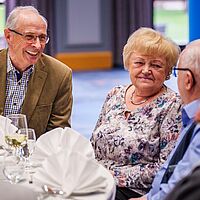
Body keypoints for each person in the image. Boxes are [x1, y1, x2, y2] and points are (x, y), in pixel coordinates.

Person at [90, 27, 182, 200]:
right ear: (128, 64)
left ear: (168, 71)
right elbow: (93, 146)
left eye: (156, 65)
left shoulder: (173, 105)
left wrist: (111, 177)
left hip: (135, 191)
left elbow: (166, 167)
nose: (146, 70)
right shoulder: (115, 94)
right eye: (139, 63)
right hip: (95, 180)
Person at [129, 40, 200, 200]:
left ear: (188, 80)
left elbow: (182, 181)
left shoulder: (185, 113)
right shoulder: (191, 114)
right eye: (139, 62)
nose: (146, 70)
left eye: (177, 71)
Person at [0, 6, 72, 138]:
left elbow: (58, 134)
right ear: (8, 36)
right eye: (29, 37)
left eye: (42, 38)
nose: (38, 45)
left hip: (34, 154)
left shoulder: (60, 75)